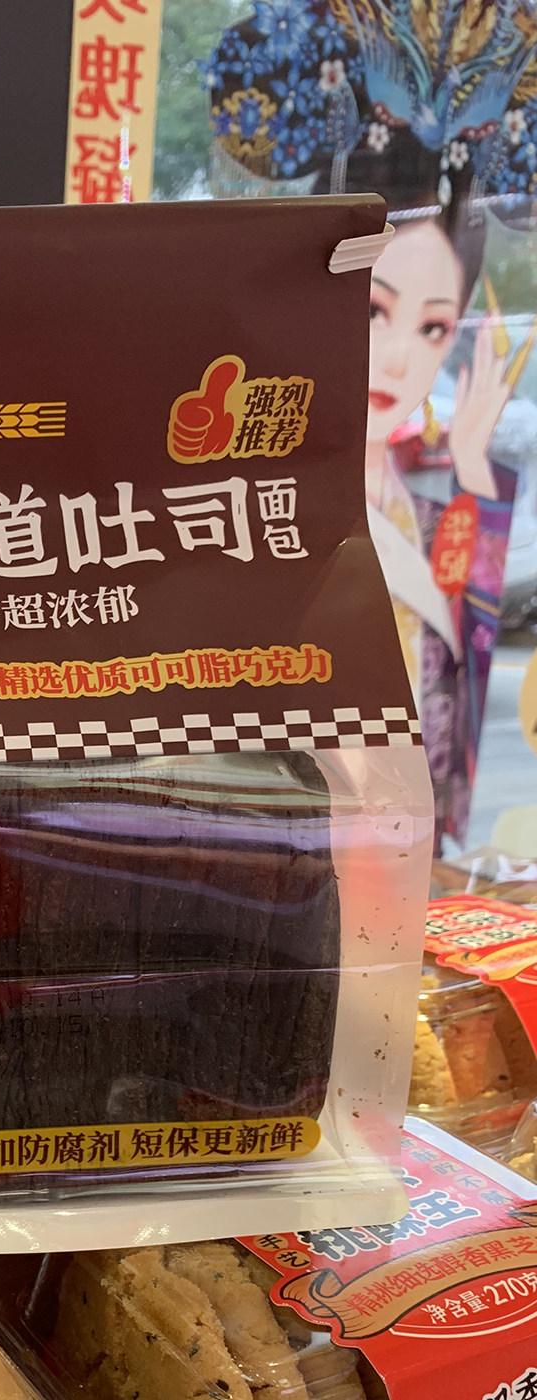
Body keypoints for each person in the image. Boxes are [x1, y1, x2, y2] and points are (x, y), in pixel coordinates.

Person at [203, 0, 534, 848]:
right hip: (278, 845)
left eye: (433, 327)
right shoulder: (239, 475)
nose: (396, 358)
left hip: (397, 841)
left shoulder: (436, 479)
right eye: (374, 310)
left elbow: (448, 698)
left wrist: (469, 473)